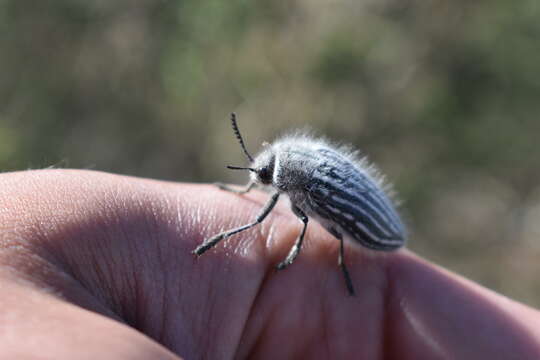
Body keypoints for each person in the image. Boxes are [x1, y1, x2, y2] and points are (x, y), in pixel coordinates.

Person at [1, 169, 539, 359]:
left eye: (259, 176)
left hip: (373, 232)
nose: (255, 180)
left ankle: (348, 269)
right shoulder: (287, 176)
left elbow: (294, 222)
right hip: (375, 231)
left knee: (292, 225)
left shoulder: (300, 188)